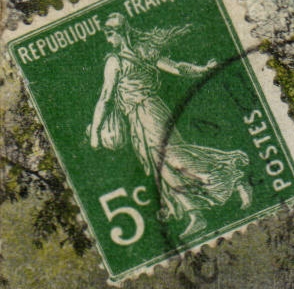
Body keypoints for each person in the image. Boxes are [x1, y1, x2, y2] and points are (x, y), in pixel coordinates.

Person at [86, 13, 252, 238]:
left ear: (120, 32)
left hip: (150, 111)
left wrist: (95, 131)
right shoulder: (126, 56)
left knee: (174, 158)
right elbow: (107, 97)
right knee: (162, 166)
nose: (108, 39)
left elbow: (107, 97)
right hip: (137, 119)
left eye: (109, 33)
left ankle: (233, 177)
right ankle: (195, 214)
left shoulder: (125, 58)